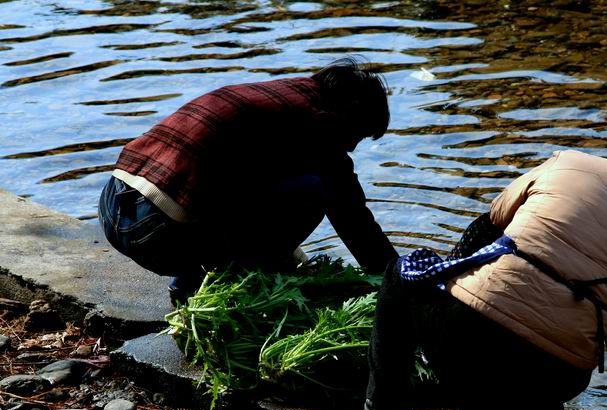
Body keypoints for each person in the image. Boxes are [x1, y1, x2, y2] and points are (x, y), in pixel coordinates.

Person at [351, 126, 607, 410]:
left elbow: (485, 228)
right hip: (554, 379)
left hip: (460, 339)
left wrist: (458, 288)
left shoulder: (569, 164)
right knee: (540, 357)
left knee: (403, 271)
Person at [98, 58, 398, 303]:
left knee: (265, 189)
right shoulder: (322, 122)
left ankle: (188, 282)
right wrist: (398, 281)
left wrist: (295, 259)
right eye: (358, 136)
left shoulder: (279, 96)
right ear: (350, 114)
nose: (352, 148)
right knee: (316, 189)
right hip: (154, 231)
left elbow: (253, 198)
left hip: (112, 204)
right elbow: (354, 221)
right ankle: (240, 288)